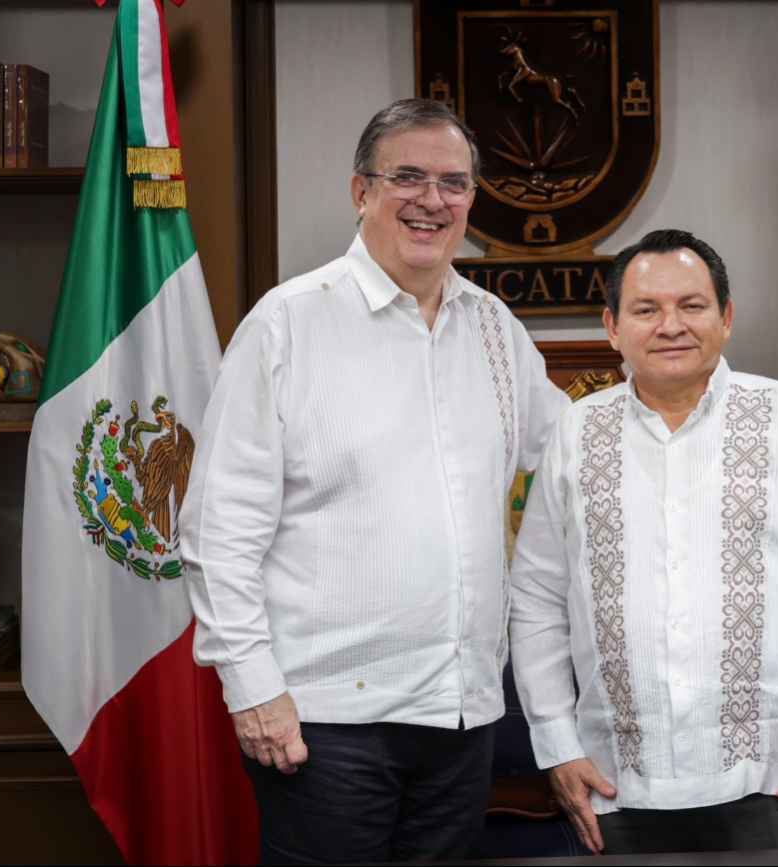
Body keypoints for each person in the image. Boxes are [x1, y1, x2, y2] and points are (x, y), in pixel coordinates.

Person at [182, 99, 569, 865]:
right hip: (322, 726)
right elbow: (215, 533)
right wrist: (254, 689)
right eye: (408, 178)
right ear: (360, 192)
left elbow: (577, 456)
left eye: (454, 183)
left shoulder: (496, 329)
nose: (432, 200)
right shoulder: (286, 324)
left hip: (462, 716)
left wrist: (700, 416)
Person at [509, 229, 778, 855]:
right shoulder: (576, 434)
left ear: (726, 318)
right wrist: (556, 745)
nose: (671, 326)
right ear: (611, 327)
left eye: (692, 306)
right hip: (617, 784)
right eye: (646, 309)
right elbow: (535, 599)